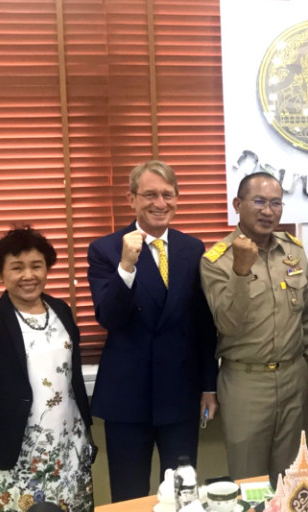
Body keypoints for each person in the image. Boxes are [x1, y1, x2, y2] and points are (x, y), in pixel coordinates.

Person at [87, 160, 218, 502]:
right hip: (127, 398)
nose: (160, 203)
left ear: (177, 199)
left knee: (182, 493)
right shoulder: (105, 249)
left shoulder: (192, 248)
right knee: (129, 495)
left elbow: (203, 325)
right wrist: (126, 266)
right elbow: (109, 318)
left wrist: (208, 386)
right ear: (131, 199)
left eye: (167, 195)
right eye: (150, 195)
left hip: (180, 394)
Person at [0, 226, 94, 511]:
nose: (29, 275)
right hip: (16, 444)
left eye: (36, 266)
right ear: (0, 274)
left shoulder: (61, 310)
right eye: (17, 268)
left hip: (68, 439)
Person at [199, 172, 308, 483]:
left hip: (294, 377)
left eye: (275, 203)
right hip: (246, 382)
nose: (268, 211)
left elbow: (306, 317)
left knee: (294, 478)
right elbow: (227, 324)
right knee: (249, 480)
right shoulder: (216, 260)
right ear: (237, 205)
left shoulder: (293, 251)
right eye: (259, 202)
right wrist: (241, 272)